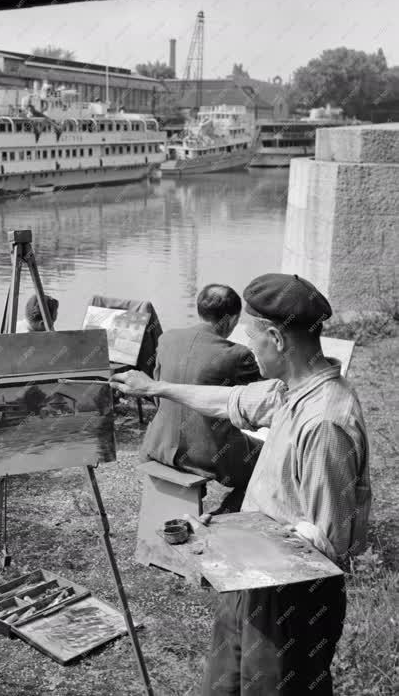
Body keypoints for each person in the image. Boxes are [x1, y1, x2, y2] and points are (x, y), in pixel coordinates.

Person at [111, 273, 371, 696]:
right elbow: (229, 402)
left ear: (277, 338)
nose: (250, 347)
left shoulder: (325, 422)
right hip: (253, 577)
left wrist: (238, 534)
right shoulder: (289, 390)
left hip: (288, 599)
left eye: (254, 338)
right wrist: (153, 387)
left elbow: (328, 543)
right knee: (225, 683)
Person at [142, 284, 262, 513]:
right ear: (230, 320)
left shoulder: (167, 339)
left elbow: (157, 395)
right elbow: (258, 406)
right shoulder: (237, 354)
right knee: (269, 460)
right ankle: (223, 515)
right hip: (208, 454)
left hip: (159, 444)